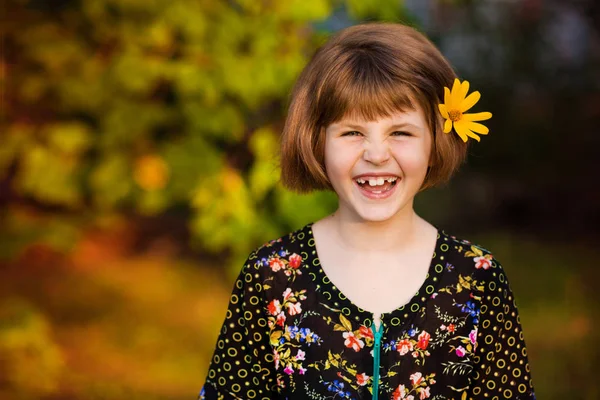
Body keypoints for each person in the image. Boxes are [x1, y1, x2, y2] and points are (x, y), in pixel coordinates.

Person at [199, 22, 535, 400]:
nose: (376, 155)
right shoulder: (270, 277)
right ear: (316, 140)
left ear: (436, 140)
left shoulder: (477, 280)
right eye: (352, 133)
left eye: (401, 133)